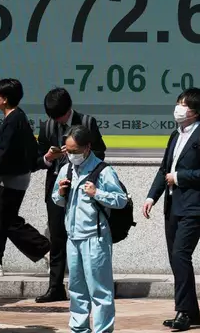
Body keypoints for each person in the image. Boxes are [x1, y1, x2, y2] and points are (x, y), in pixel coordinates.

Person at [143, 88, 200, 331]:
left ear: (195, 112)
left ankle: (183, 312)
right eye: (178, 102)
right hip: (173, 206)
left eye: (183, 104)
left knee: (180, 255)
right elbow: (163, 169)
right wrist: (151, 196)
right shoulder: (175, 135)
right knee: (176, 259)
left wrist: (179, 177)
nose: (178, 107)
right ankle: (191, 312)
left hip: (194, 207)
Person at [51, 125, 127, 333]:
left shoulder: (103, 170)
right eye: (68, 150)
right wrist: (60, 191)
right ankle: (78, 328)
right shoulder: (66, 168)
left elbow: (120, 200)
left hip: (96, 237)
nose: (71, 155)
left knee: (99, 290)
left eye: (75, 151)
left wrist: (97, 193)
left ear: (87, 148)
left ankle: (102, 330)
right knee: (76, 288)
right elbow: (56, 200)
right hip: (73, 236)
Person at [35, 87, 107, 303]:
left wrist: (79, 153)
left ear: (69, 109)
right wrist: (47, 157)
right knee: (56, 238)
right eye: (54, 117)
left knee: (83, 238)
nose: (57, 120)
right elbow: (36, 160)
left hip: (83, 190)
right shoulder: (47, 126)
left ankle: (86, 285)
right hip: (58, 189)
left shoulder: (86, 122)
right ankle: (55, 287)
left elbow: (101, 152)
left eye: (61, 116)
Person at [0, 78, 50, 277]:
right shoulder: (17, 118)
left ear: (5, 99)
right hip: (14, 178)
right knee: (5, 221)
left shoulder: (14, 120)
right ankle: (46, 251)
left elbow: (5, 154)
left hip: (12, 180)